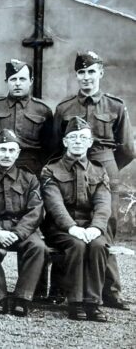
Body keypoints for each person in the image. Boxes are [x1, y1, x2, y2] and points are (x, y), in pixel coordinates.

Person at [53, 51, 135, 310]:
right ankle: (62, 288)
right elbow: (56, 144)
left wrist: (107, 168)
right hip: (70, 167)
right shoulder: (65, 108)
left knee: (104, 229)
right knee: (68, 224)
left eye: (91, 72)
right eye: (81, 72)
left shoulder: (115, 106)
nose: (86, 77)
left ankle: (110, 291)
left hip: (104, 165)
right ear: (76, 75)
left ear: (101, 73)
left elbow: (128, 149)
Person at [40, 116, 111, 322]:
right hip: (61, 230)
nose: (78, 141)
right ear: (65, 142)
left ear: (90, 142)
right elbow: (55, 206)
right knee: (77, 245)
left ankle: (93, 303)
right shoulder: (51, 170)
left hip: (90, 227)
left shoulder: (98, 170)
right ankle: (76, 302)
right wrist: (71, 227)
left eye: (82, 137)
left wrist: (96, 227)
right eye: (73, 137)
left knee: (98, 245)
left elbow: (103, 204)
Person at [0, 129, 46, 316]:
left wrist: (18, 233)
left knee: (38, 247)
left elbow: (36, 210)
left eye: (11, 150)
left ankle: (22, 297)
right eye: (2, 150)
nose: (6, 154)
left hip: (20, 227)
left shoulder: (29, 178)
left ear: (18, 153)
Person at [0, 59, 53, 175]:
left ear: (31, 81)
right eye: (13, 79)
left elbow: (50, 147)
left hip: (31, 170)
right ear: (6, 81)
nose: (18, 83)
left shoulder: (42, 110)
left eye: (22, 79)